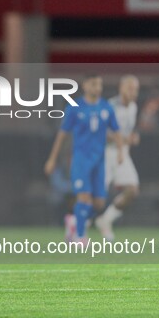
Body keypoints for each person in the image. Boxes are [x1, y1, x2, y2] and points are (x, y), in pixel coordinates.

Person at [44, 75, 123, 245]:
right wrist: (52, 158)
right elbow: (62, 134)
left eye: (100, 84)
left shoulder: (106, 107)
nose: (97, 87)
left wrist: (120, 152)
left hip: (99, 160)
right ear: (85, 85)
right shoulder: (75, 107)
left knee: (99, 202)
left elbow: (116, 131)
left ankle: (73, 221)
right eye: (94, 84)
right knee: (84, 197)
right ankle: (80, 236)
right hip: (81, 159)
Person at [95, 75, 141, 241]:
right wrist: (123, 140)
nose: (133, 92)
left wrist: (131, 138)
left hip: (122, 153)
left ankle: (105, 221)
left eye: (136, 89)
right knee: (97, 197)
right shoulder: (110, 107)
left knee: (132, 190)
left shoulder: (133, 107)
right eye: (130, 88)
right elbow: (102, 134)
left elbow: (126, 133)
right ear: (121, 88)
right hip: (106, 154)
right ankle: (77, 225)